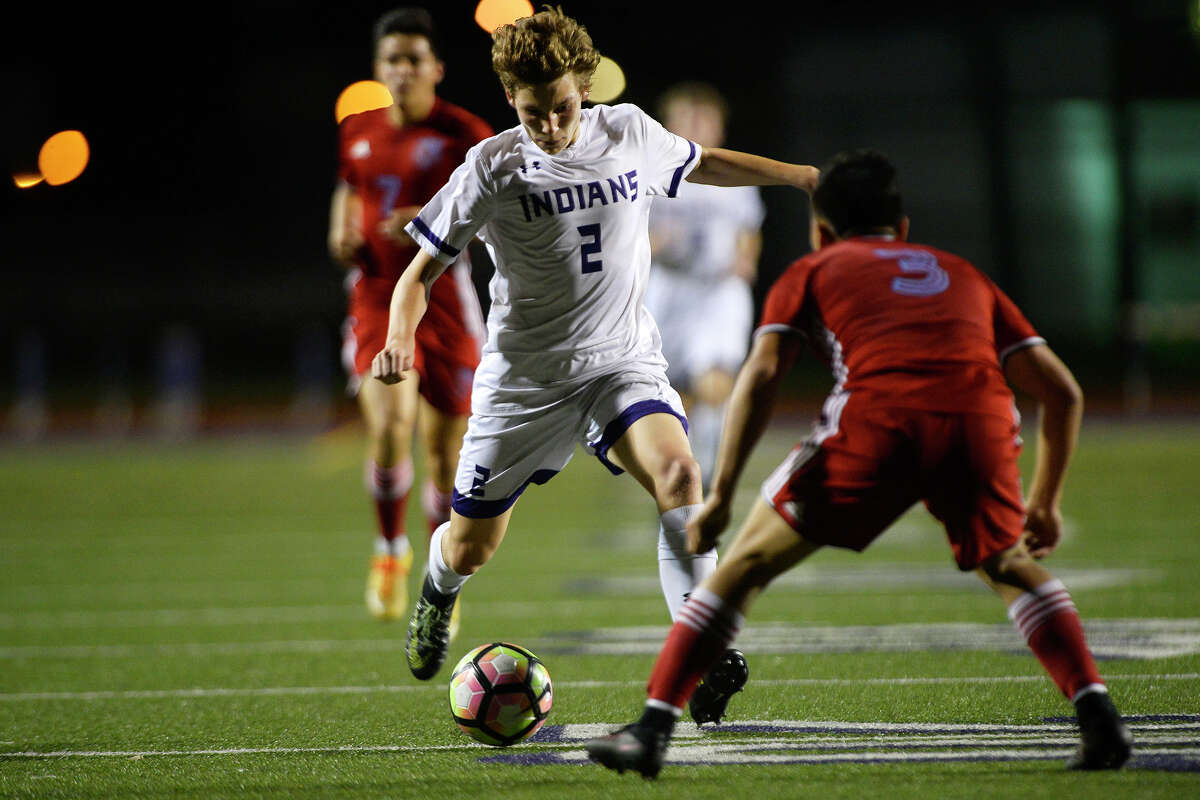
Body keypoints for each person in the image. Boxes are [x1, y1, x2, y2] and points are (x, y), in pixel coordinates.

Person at [585, 149, 1133, 778]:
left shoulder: (815, 269)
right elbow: (1062, 392)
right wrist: (1046, 500)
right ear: (901, 228)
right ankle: (1099, 719)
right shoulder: (962, 272)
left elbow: (762, 374)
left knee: (741, 568)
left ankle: (652, 732)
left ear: (820, 230)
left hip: (878, 424)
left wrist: (724, 496)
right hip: (979, 426)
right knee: (1009, 564)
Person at [370, 7, 819, 703]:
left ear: (584, 86)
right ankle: (437, 591)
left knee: (679, 475)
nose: (548, 125)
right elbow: (416, 275)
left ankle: (699, 646)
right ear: (509, 101)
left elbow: (704, 165)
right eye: (531, 112)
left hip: (620, 363)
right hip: (525, 382)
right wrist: (399, 337)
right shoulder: (492, 166)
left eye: (560, 107)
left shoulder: (630, 131)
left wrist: (796, 176)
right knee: (470, 547)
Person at [328, 7, 492, 624]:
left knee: (447, 454)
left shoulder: (465, 133)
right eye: (391, 59)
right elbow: (348, 188)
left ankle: (435, 577)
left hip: (446, 300)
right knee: (391, 425)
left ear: (436, 69)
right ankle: (389, 549)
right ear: (379, 68)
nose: (401, 71)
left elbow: (489, 208)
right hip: (375, 294)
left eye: (412, 60)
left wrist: (430, 216)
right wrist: (341, 232)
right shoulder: (358, 131)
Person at [644, 82, 765, 493]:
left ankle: (710, 472)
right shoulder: (651, 174)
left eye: (705, 119)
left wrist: (746, 258)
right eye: (688, 118)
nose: (697, 127)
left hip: (717, 289)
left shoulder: (734, 174)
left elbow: (749, 228)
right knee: (676, 389)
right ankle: (685, 464)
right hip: (669, 287)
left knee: (715, 376)